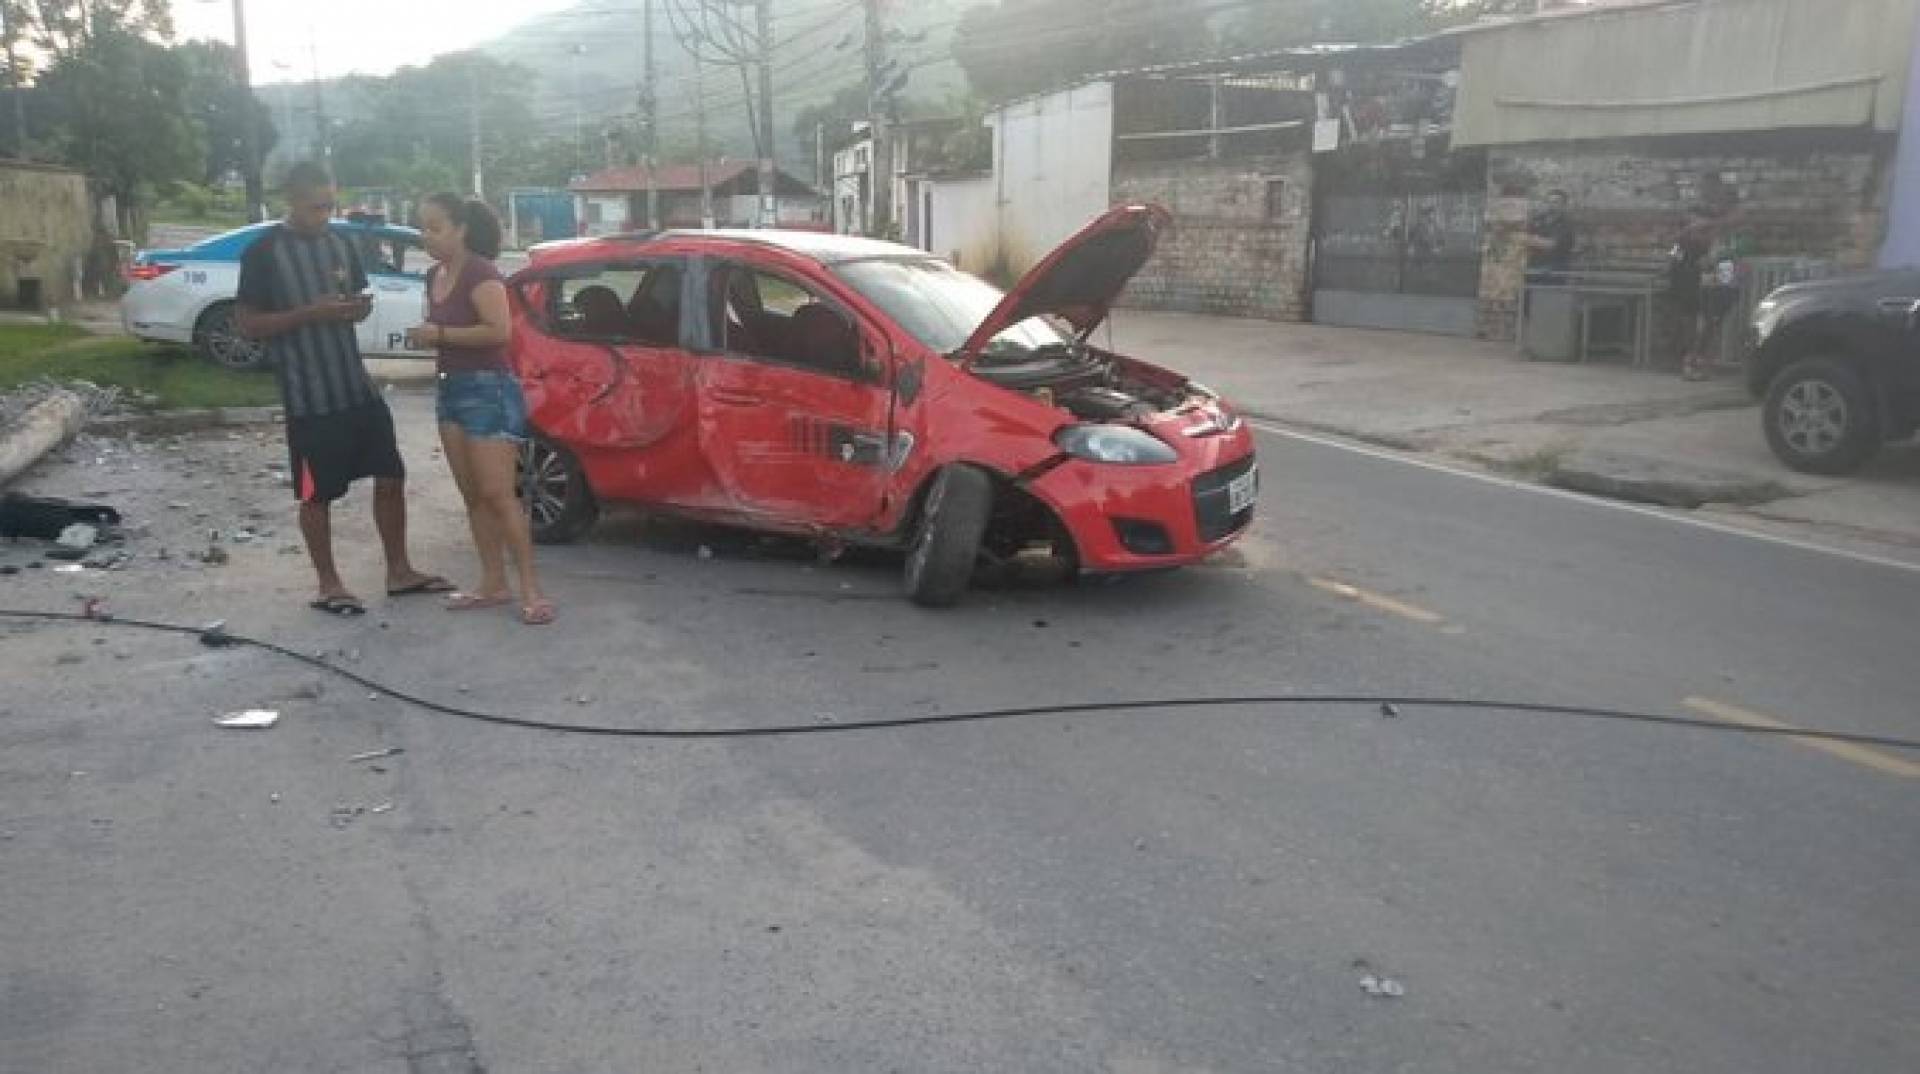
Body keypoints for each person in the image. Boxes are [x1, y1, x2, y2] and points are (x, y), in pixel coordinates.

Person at [235, 162, 451, 616]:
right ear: (291, 202)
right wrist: (307, 314)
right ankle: (329, 583)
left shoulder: (341, 244)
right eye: (316, 207)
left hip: (356, 387)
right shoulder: (263, 253)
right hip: (308, 397)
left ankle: (399, 570)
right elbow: (248, 325)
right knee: (317, 493)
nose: (325, 215)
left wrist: (355, 309)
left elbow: (357, 302)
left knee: (391, 475)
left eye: (330, 206)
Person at [406, 192, 555, 626]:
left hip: (488, 390)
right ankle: (492, 582)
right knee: (472, 495)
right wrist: (433, 336)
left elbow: (499, 332)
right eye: (423, 228)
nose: (426, 236)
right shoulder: (435, 274)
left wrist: (440, 335)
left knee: (498, 494)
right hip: (449, 388)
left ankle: (531, 588)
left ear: (461, 229)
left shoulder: (481, 272)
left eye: (435, 227)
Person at [1669, 173, 1745, 381]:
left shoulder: (1724, 216)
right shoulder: (1695, 215)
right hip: (1691, 270)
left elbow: (1737, 222)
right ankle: (1691, 360)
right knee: (1695, 317)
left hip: (1717, 269)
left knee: (1713, 315)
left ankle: (1700, 359)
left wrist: (1708, 228)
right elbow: (1677, 244)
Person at [1524, 189, 1577, 282]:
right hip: (1533, 269)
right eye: (1548, 202)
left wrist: (1529, 239)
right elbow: (1521, 235)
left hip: (1554, 271)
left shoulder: (1566, 224)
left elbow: (1550, 245)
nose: (1551, 205)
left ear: (1564, 205)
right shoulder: (1538, 219)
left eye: (1556, 202)